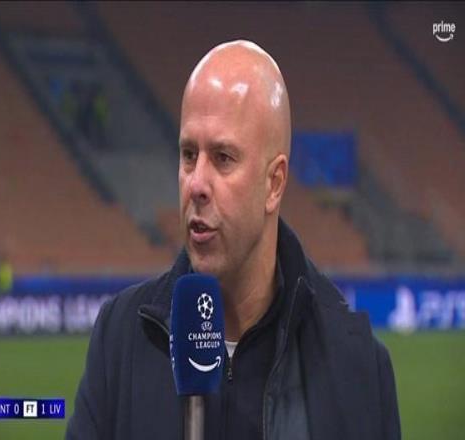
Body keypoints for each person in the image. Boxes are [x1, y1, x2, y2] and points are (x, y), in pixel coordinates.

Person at [66, 40, 401, 440]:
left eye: (223, 158)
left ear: (274, 184)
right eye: (188, 155)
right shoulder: (120, 339)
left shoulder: (357, 365)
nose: (196, 184)